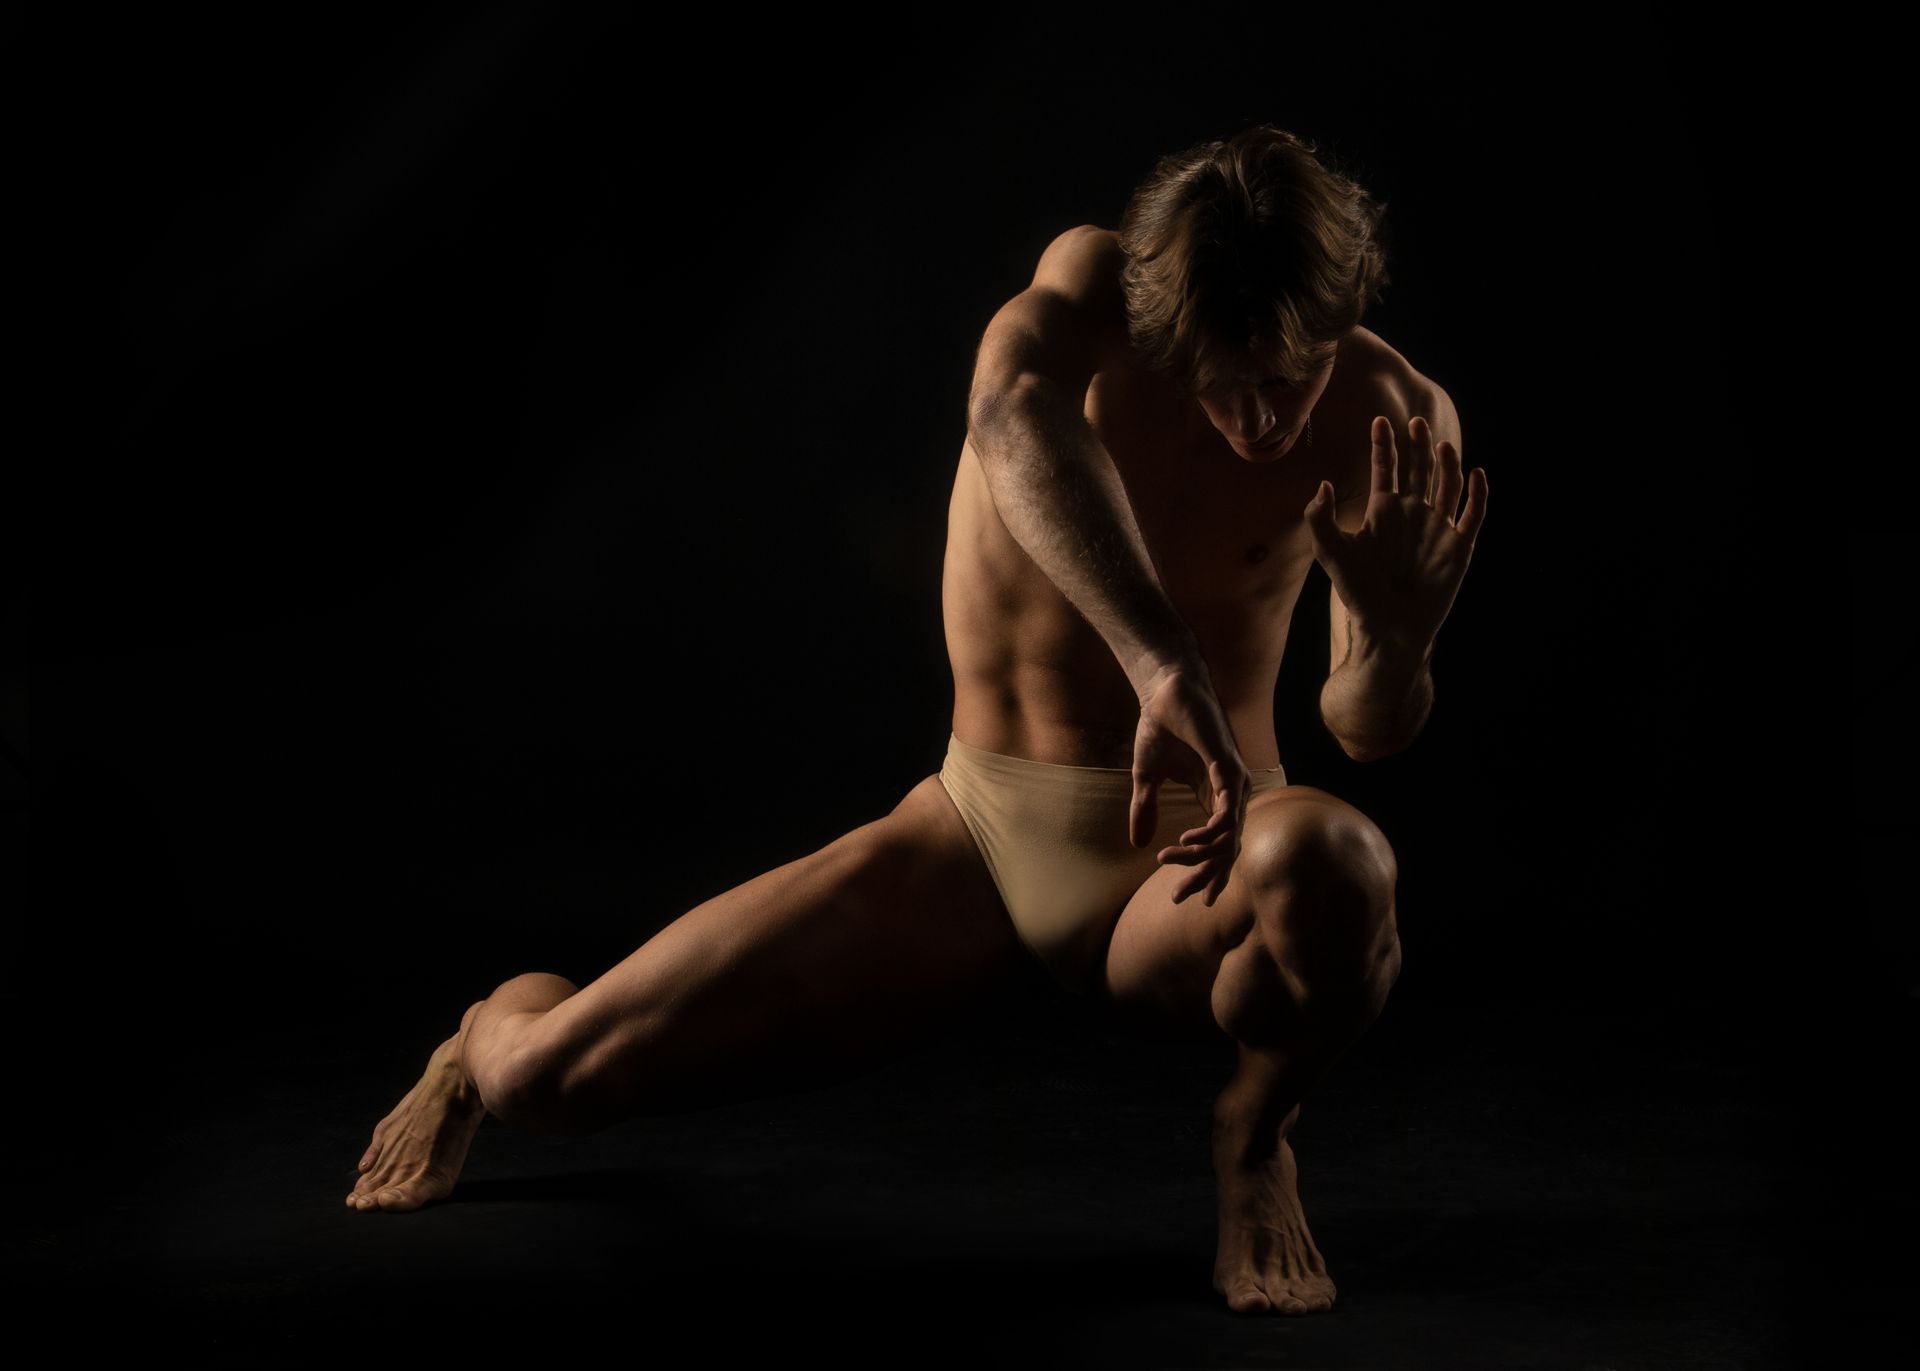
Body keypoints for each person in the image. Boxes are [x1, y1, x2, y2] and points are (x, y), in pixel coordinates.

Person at [345, 123, 1489, 1318]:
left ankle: (1254, 1142)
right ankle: (471, 1042)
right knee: (549, 1077)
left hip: (1201, 856)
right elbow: (1008, 418)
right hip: (985, 830)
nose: (1258, 420)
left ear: (1342, 323)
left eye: (1286, 380)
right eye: (1222, 380)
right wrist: (1161, 664)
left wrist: (1398, 645)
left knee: (1342, 862)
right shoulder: (1093, 296)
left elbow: (1366, 728)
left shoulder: (1396, 418)